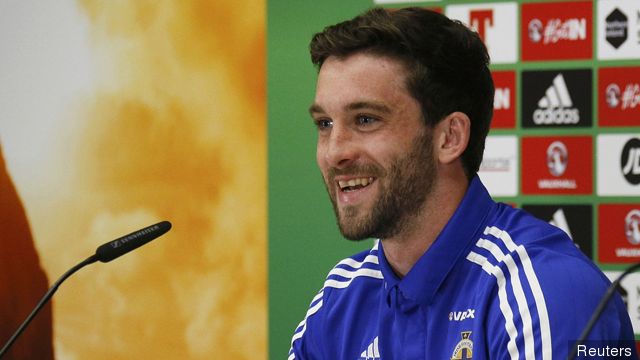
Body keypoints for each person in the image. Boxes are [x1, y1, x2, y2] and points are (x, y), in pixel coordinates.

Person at [288, 7, 636, 360]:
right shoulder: (340, 297)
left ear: (449, 138)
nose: (334, 153)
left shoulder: (549, 292)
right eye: (325, 124)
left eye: (365, 119)